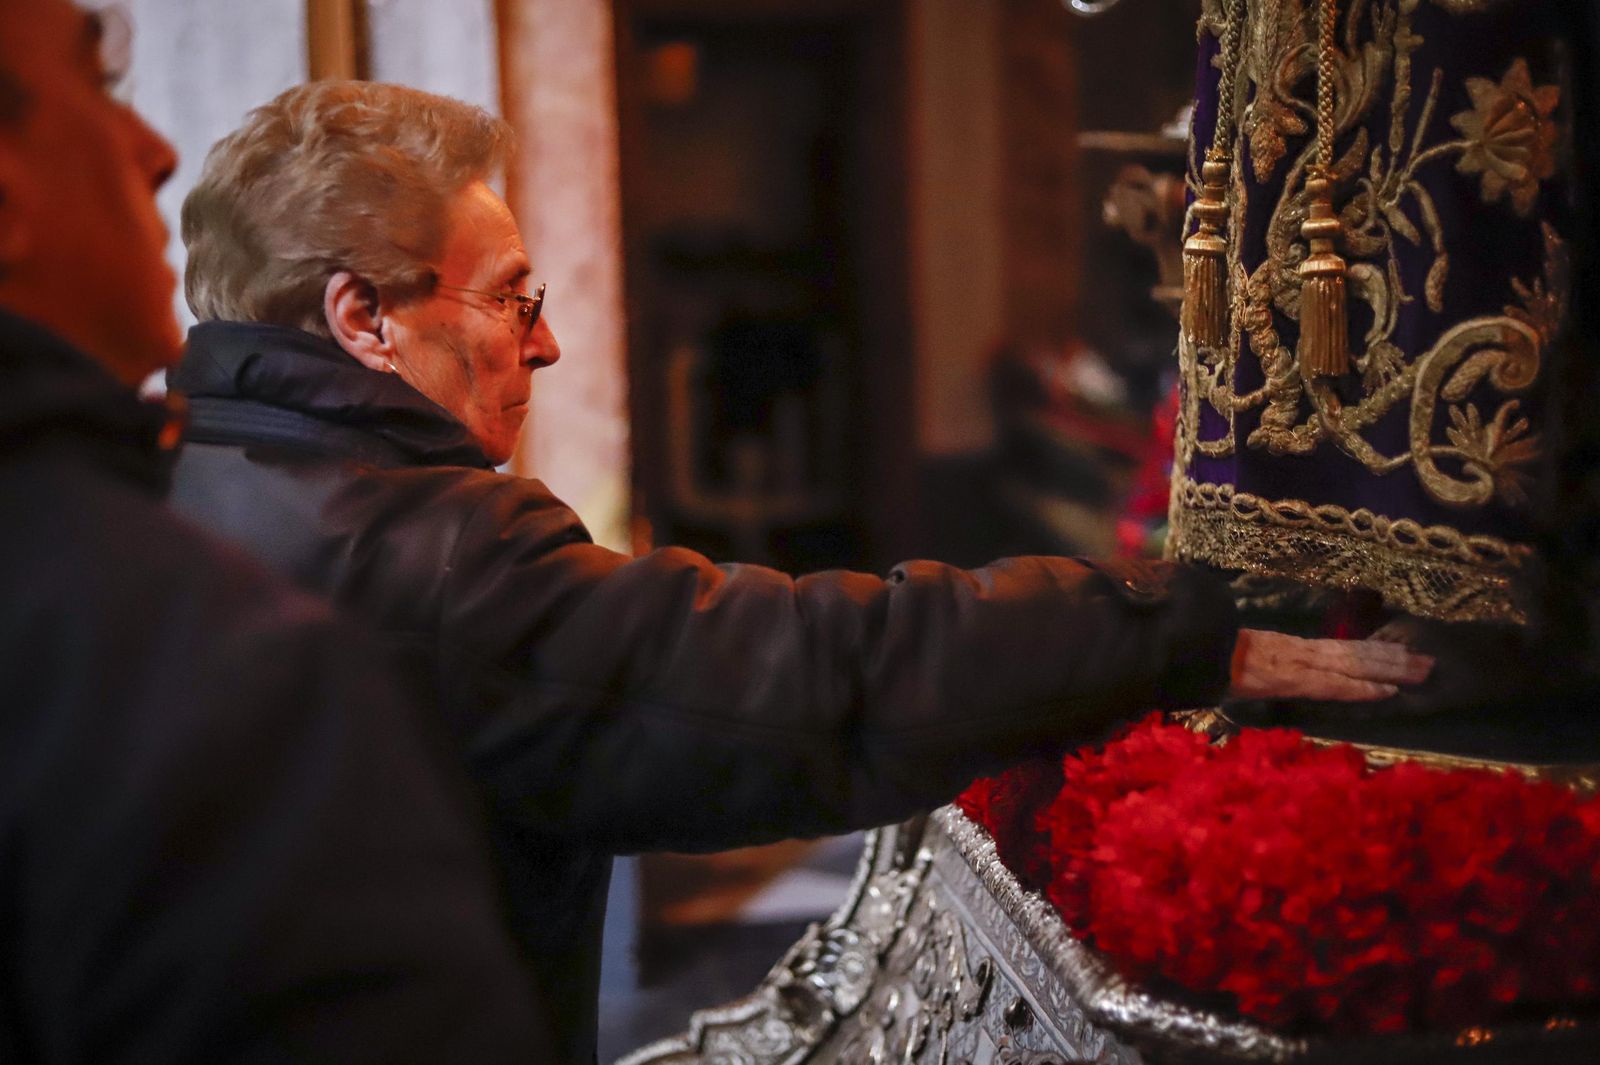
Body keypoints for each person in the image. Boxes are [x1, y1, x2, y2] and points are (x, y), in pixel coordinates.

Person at [168, 80, 1432, 1064]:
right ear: (362, 319)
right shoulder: (417, 549)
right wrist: (1172, 623)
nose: (545, 343)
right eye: (510, 299)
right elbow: (796, 677)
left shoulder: (209, 473)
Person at [0, 4, 553, 1060]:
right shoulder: (211, 651)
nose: (157, 147)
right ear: (361, 319)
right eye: (97, 84)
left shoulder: (178, 485)